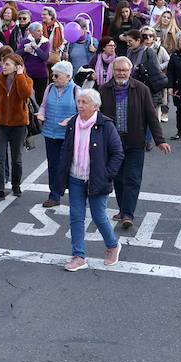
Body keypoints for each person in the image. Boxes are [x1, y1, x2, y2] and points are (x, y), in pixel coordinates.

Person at [97, 56, 171, 231]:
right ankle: (123, 210)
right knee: (118, 178)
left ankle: (128, 214)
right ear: (113, 71)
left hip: (135, 142)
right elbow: (96, 117)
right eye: (118, 70)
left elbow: (152, 116)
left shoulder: (141, 89)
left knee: (133, 178)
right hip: (112, 143)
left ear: (130, 71)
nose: (121, 73)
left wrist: (160, 140)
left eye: (124, 70)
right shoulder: (103, 90)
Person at [60, 88, 124, 271]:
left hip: (96, 179)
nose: (79, 106)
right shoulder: (73, 122)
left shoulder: (106, 125)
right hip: (75, 177)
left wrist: (107, 174)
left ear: (95, 106)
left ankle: (113, 245)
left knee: (98, 216)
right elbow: (67, 149)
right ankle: (78, 256)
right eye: (79, 102)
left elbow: (118, 153)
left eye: (84, 102)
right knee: (76, 216)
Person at [0, 49, 33, 199]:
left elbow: (25, 94)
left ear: (17, 66)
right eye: (3, 63)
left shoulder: (26, 80)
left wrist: (19, 76)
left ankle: (16, 185)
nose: (3, 66)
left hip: (18, 125)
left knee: (16, 158)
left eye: (7, 64)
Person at [37, 61, 79, 208]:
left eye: (56, 75)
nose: (53, 78)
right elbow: (43, 106)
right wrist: (41, 115)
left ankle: (75, 194)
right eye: (52, 75)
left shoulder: (76, 90)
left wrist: (71, 120)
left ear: (68, 76)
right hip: (50, 133)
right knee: (53, 165)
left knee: (70, 166)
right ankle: (54, 195)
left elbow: (82, 112)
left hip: (68, 135)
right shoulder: (49, 88)